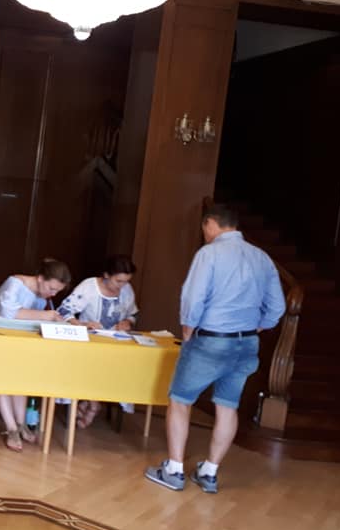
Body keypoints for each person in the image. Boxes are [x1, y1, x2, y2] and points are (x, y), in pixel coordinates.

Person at [145, 204, 285, 493]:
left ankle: (174, 470)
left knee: (180, 400)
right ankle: (209, 473)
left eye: (204, 228)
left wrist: (188, 329)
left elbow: (194, 297)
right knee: (227, 405)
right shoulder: (262, 257)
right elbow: (277, 307)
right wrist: (258, 327)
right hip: (247, 343)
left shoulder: (209, 254)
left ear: (210, 224)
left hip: (211, 339)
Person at [0, 259, 71, 452]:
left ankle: (21, 423)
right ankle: (11, 427)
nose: (53, 294)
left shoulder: (41, 296)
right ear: (40, 278)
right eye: (51, 288)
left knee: (21, 375)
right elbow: (8, 312)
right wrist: (46, 315)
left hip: (15, 341)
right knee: (2, 375)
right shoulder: (15, 283)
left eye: (57, 291)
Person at [57, 254, 140, 427]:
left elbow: (133, 313)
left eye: (126, 281)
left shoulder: (127, 289)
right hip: (89, 341)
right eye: (118, 281)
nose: (122, 286)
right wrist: (81, 324)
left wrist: (128, 321)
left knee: (125, 365)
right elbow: (63, 311)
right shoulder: (89, 287)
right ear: (106, 275)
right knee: (89, 363)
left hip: (115, 342)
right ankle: (93, 403)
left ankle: (92, 401)